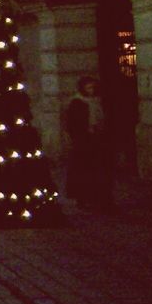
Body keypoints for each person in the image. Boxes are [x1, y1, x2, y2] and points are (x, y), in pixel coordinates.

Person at [65, 75, 111, 210]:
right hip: (83, 142)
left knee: (99, 170)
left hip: (97, 140)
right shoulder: (77, 102)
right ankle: (83, 198)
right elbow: (73, 124)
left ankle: (99, 198)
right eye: (89, 87)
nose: (91, 90)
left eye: (93, 87)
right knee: (83, 171)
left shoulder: (97, 101)